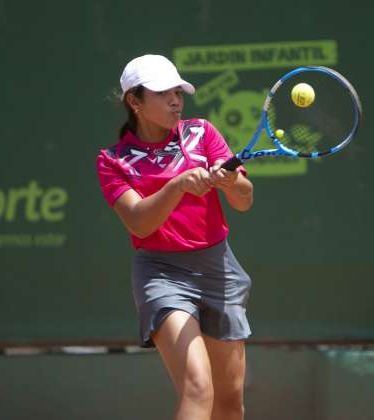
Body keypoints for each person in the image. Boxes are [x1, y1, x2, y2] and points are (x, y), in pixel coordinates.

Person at [96, 54, 254, 420]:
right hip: (162, 273)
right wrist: (179, 184)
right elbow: (139, 222)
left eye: (178, 92)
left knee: (229, 403)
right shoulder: (113, 161)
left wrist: (233, 183)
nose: (175, 101)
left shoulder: (203, 132)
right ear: (134, 102)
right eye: (163, 93)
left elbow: (244, 200)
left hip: (219, 267)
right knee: (198, 387)